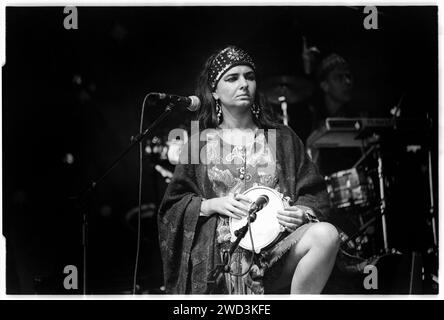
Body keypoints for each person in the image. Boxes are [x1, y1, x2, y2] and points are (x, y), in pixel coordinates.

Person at [157, 46, 340, 294]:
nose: (244, 84)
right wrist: (211, 205)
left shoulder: (283, 138)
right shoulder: (198, 142)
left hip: (277, 251)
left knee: (326, 235)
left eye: (249, 77)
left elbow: (314, 193)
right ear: (215, 92)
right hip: (220, 259)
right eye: (232, 78)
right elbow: (172, 206)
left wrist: (303, 214)